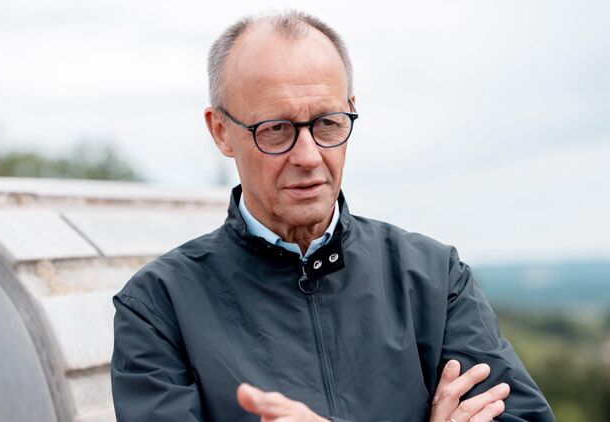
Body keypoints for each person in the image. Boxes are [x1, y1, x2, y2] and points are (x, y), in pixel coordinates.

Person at [110, 11, 554, 422]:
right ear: (221, 132)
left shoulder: (434, 279)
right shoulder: (159, 306)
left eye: (327, 123)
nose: (308, 156)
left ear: (350, 109)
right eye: (276, 129)